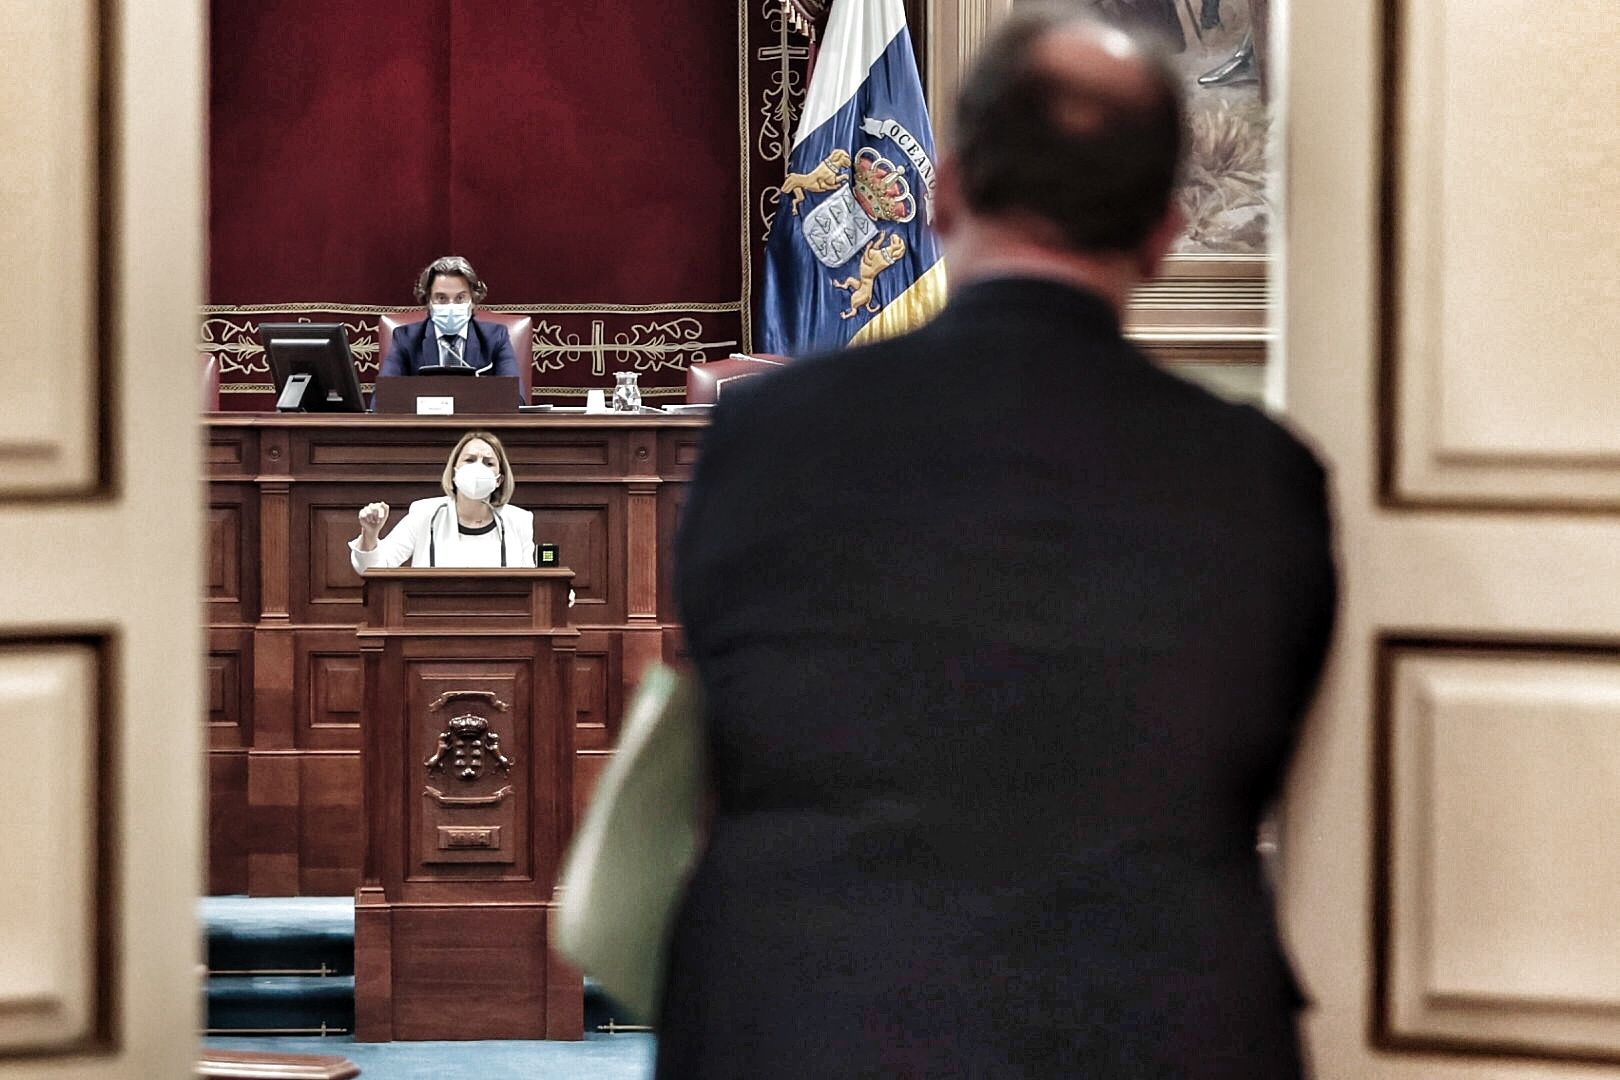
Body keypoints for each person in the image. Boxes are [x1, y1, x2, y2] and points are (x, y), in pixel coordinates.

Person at [658, 5, 1335, 1078]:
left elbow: (722, 744)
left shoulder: (764, 441)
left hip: (805, 1024)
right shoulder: (1263, 480)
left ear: (943, 192)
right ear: (1165, 232)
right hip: (1159, 1033)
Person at [350, 430, 535, 572]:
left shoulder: (518, 521)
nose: (478, 468)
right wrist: (370, 535)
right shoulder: (425, 513)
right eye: (469, 460)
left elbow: (531, 585)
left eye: (488, 463)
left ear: (499, 480)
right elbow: (373, 569)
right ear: (455, 472)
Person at [378, 255, 520, 379]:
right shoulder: (405, 339)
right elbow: (382, 400)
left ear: (473, 301)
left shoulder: (495, 338)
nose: (451, 306)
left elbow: (515, 398)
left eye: (460, 298)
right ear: (428, 301)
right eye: (441, 298)